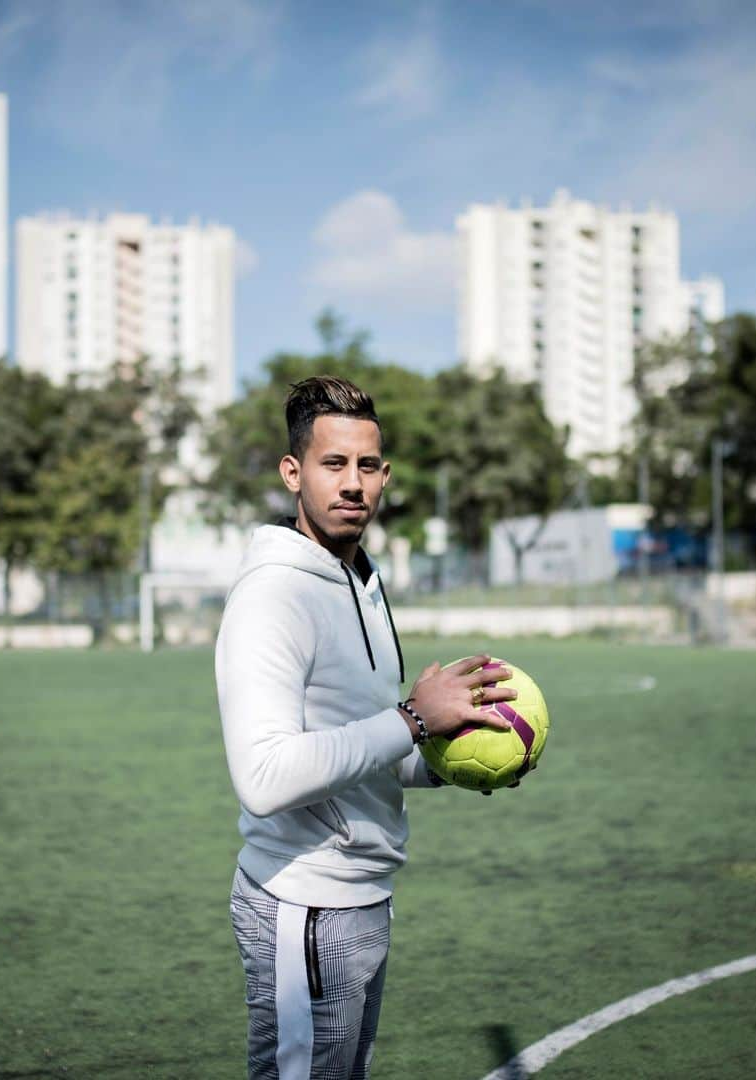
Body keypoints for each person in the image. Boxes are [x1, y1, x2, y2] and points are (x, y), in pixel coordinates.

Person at [215, 374, 518, 1079]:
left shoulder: (361, 580)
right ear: (294, 473)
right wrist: (413, 717)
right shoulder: (273, 594)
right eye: (332, 464)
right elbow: (263, 778)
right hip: (304, 906)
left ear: (384, 476)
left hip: (360, 898)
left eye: (367, 466)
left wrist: (458, 750)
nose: (353, 483)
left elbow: (372, 746)